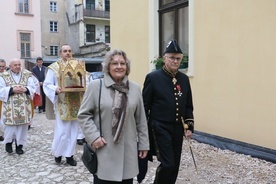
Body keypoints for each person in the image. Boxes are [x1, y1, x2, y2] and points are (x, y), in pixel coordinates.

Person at [78, 49, 149, 184]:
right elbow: (83, 115)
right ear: (107, 66)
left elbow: (141, 120)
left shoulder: (134, 88)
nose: (119, 66)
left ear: (127, 67)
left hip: (128, 151)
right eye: (114, 63)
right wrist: (93, 137)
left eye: (122, 63)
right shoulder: (95, 87)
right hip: (104, 150)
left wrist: (144, 144)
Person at [142, 39, 194, 184]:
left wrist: (189, 126)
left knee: (175, 164)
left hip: (177, 128)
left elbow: (188, 105)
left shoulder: (183, 79)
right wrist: (142, 131)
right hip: (159, 127)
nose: (175, 61)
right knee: (168, 163)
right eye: (172, 57)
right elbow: (144, 106)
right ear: (164, 58)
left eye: (178, 58)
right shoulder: (153, 78)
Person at [43, 44, 84, 166]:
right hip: (62, 103)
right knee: (62, 131)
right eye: (65, 51)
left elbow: (85, 79)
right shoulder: (54, 68)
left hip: (76, 102)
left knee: (74, 131)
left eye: (70, 51)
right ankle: (58, 153)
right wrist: (55, 89)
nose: (67, 53)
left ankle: (69, 155)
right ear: (60, 53)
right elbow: (47, 84)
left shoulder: (78, 66)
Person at [0, 58, 36, 154]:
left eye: (19, 64)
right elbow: (0, 89)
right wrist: (11, 90)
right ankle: (8, 143)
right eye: (15, 65)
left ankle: (19, 146)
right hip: (9, 106)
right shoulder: (3, 76)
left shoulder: (27, 75)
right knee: (10, 127)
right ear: (10, 66)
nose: (17, 66)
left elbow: (33, 87)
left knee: (22, 126)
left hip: (24, 106)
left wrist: (26, 89)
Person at [0, 58, 7, 141]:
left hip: (3, 99)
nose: (1, 68)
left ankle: (2, 134)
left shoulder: (7, 76)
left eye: (3, 66)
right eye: (0, 66)